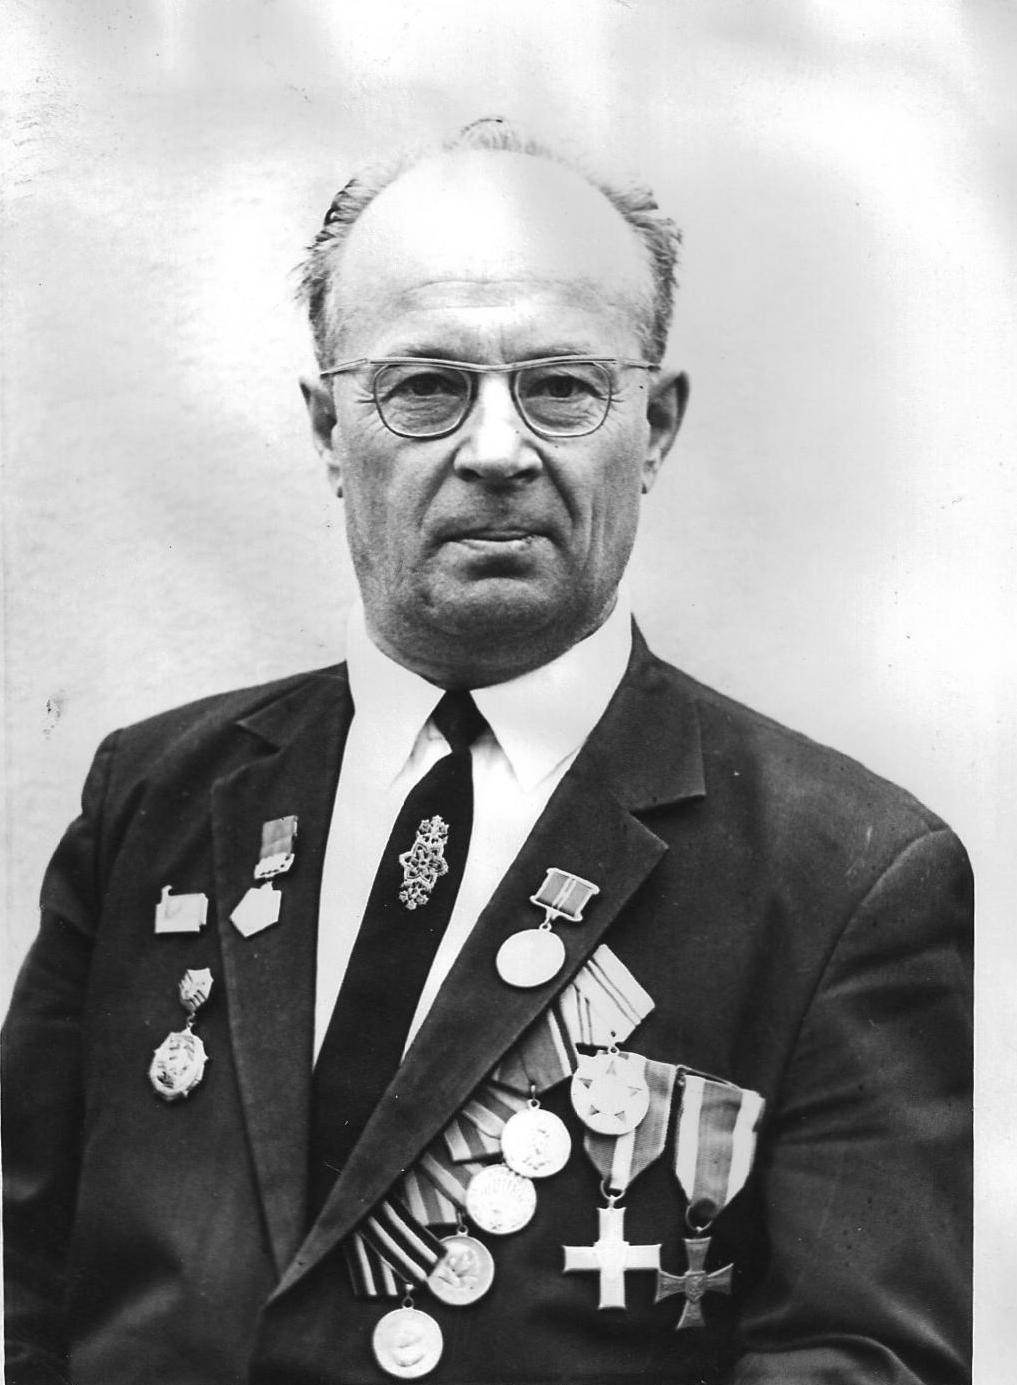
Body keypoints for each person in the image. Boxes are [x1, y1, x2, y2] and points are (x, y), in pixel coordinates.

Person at [2, 118, 972, 1385]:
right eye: (426, 387)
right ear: (327, 429)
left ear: (656, 426)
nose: (500, 450)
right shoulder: (151, 797)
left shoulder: (844, 874)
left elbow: (858, 1361)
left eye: (562, 386)